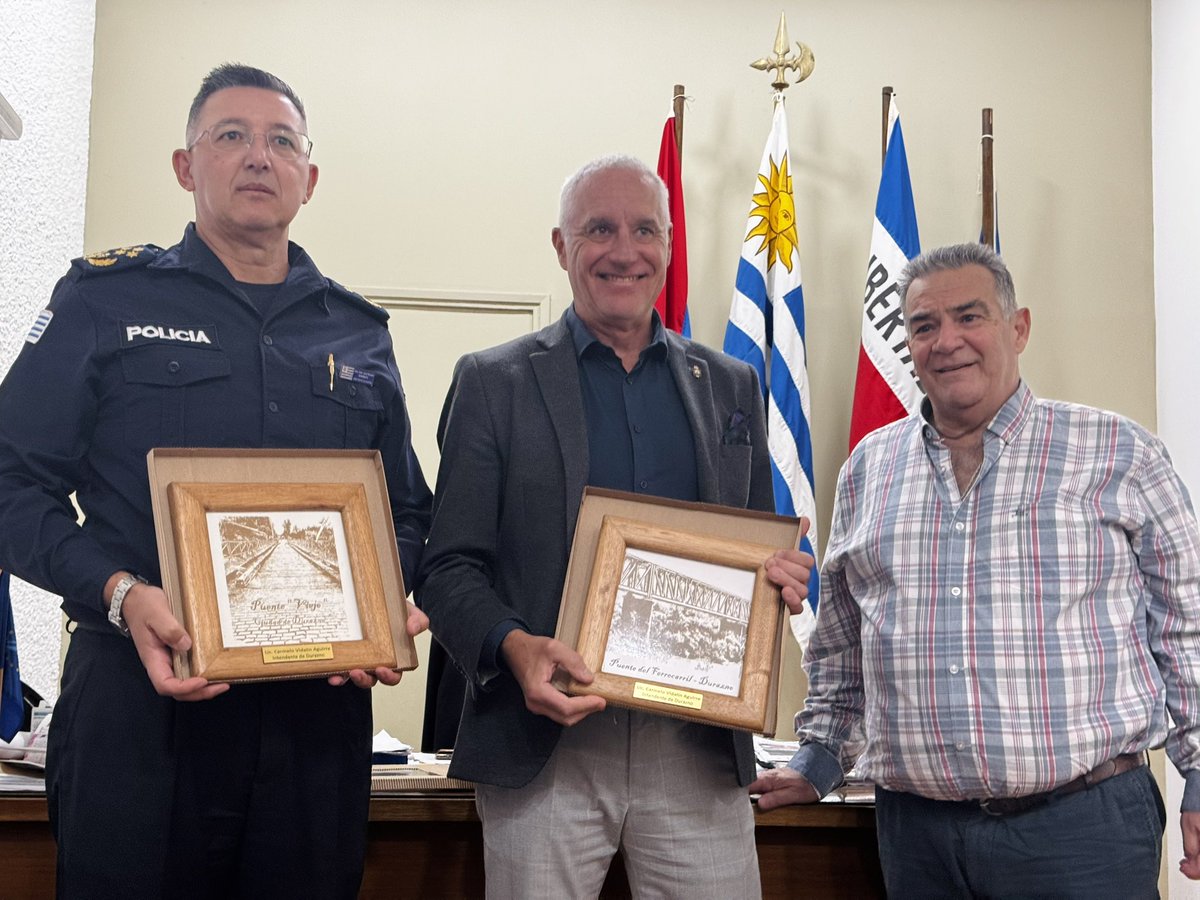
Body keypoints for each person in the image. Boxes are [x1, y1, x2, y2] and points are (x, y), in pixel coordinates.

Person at [0, 63, 432, 898]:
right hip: (140, 707)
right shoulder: (102, 300)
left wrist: (384, 602)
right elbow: (10, 484)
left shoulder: (359, 331)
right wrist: (120, 592)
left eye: (282, 142)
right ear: (185, 166)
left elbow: (408, 514)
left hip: (314, 721)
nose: (259, 156)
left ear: (310, 177)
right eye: (231, 136)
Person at [417, 154, 813, 899]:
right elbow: (446, 569)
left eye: (644, 230)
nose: (624, 250)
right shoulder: (493, 382)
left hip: (697, 749)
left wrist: (782, 576)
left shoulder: (732, 385)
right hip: (544, 745)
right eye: (598, 229)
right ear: (561, 246)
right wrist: (515, 648)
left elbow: (760, 547)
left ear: (668, 245)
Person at [751, 241, 1200, 896]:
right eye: (924, 325)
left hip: (1082, 832)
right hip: (917, 840)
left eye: (970, 317)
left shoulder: (1119, 452)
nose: (947, 341)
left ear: (1018, 328)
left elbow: (1186, 628)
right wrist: (819, 758)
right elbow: (842, 647)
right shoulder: (868, 470)